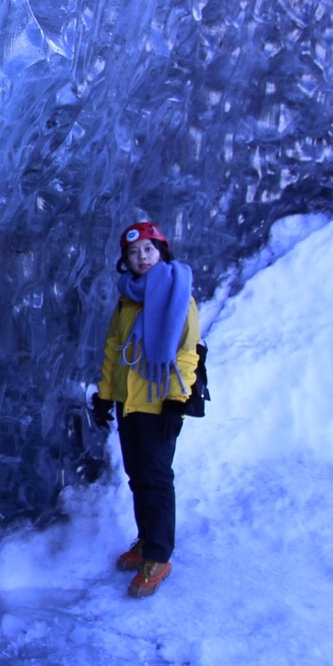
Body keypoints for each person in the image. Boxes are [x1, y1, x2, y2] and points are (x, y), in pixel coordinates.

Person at [91, 220, 200, 598]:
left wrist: (175, 402)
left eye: (148, 250)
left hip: (159, 401)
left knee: (156, 477)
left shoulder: (178, 293)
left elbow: (186, 353)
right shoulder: (127, 298)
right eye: (134, 253)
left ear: (161, 252)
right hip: (129, 401)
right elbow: (113, 349)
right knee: (138, 475)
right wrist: (105, 395)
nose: (142, 258)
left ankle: (159, 554)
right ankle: (146, 540)